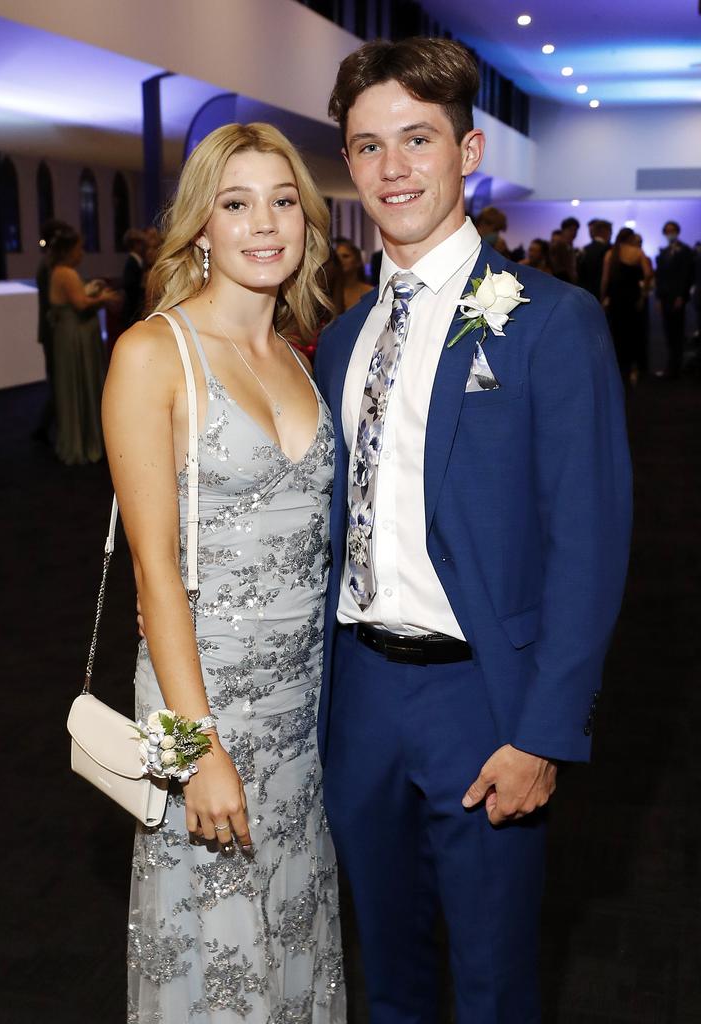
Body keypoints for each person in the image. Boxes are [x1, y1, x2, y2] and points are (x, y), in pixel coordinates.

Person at [314, 36, 632, 1024]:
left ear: (470, 149)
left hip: (482, 702)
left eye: (418, 139)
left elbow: (589, 543)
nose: (393, 168)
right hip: (359, 696)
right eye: (368, 147)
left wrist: (543, 731)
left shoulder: (551, 319)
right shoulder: (340, 336)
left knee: (495, 986)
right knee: (391, 980)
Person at [103, 122, 345, 1023]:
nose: (265, 224)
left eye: (284, 201)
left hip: (298, 709)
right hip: (195, 700)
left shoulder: (296, 352)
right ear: (201, 224)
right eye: (236, 203)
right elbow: (153, 577)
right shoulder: (150, 354)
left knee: (292, 934)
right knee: (215, 959)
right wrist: (198, 754)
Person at [47, 227, 116, 465]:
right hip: (74, 337)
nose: (82, 253)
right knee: (80, 383)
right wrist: (104, 298)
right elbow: (80, 304)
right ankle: (84, 443)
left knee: (74, 385)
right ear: (69, 251)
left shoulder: (59, 272)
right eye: (79, 248)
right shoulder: (66, 273)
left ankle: (82, 438)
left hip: (68, 334)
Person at [32, 218, 71, 444]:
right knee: (58, 381)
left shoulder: (48, 264)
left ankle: (51, 426)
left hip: (51, 326)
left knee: (57, 380)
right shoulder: (51, 266)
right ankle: (51, 427)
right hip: (53, 328)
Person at [601, 227, 653, 380]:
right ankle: (633, 368)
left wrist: (603, 296)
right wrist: (643, 293)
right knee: (633, 332)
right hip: (633, 297)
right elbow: (648, 273)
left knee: (617, 332)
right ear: (631, 238)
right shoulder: (637, 252)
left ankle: (618, 368)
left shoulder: (611, 253)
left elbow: (605, 279)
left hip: (616, 298)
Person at [655, 220, 695, 377]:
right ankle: (671, 366)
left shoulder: (685, 250)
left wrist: (681, 295)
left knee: (677, 332)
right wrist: (658, 298)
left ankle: (675, 367)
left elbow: (686, 275)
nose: (670, 233)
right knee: (668, 332)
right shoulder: (664, 252)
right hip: (665, 297)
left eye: (672, 230)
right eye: (667, 230)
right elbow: (660, 276)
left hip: (677, 297)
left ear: (677, 231)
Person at [578, 218, 612, 299]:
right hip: (604, 295)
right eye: (610, 232)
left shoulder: (584, 250)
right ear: (605, 231)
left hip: (585, 294)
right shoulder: (610, 250)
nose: (610, 235)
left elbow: (579, 274)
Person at [120, 227, 147, 328]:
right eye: (142, 243)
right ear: (136, 244)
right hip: (133, 311)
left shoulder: (137, 262)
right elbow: (130, 286)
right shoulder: (132, 263)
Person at [335, 239, 373, 309]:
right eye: (337, 257)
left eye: (345, 256)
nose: (340, 260)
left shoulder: (370, 293)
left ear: (358, 261)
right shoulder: (329, 293)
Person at [549, 215, 580, 282]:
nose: (573, 233)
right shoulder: (558, 246)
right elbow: (556, 269)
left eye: (575, 230)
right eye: (570, 230)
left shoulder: (570, 246)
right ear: (563, 230)